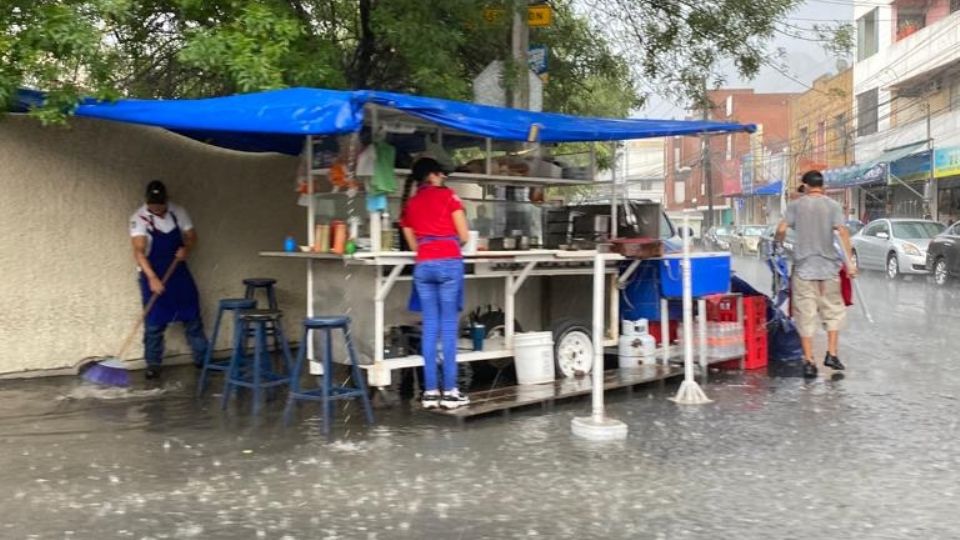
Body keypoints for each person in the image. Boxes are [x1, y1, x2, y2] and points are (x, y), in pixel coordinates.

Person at [400, 158, 471, 409]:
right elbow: (463, 235)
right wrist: (448, 245)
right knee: (449, 328)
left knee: (430, 328)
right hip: (449, 262)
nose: (443, 177)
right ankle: (451, 392)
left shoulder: (410, 204)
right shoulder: (449, 196)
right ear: (432, 175)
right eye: (441, 173)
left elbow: (413, 245)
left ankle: (430, 392)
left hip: (424, 265)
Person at [776, 170, 857, 378]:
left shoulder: (795, 206)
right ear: (822, 186)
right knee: (833, 311)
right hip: (829, 269)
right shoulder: (833, 206)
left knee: (806, 315)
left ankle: (809, 361)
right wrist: (850, 263)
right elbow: (843, 232)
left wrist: (779, 241)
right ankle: (831, 353)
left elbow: (782, 228)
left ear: (805, 186)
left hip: (804, 269)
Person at [130, 180, 208, 380]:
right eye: (153, 204)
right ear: (147, 201)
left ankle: (203, 359)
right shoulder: (139, 218)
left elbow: (191, 236)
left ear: (166, 200)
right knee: (154, 322)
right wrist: (153, 279)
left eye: (160, 203)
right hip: (152, 272)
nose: (157, 207)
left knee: (192, 316)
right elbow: (139, 252)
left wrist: (186, 249)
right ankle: (153, 363)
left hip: (178, 273)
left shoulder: (178, 212)